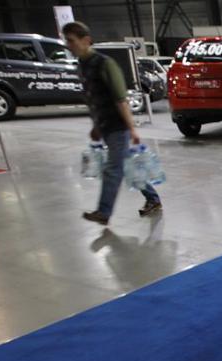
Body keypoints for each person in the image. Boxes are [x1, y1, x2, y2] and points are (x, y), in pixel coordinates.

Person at [62, 21, 162, 225]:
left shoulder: (105, 64)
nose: (68, 45)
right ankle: (153, 198)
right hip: (105, 125)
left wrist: (132, 128)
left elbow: (120, 99)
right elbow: (92, 99)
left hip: (118, 125)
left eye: (71, 41)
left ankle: (103, 212)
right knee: (124, 165)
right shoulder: (82, 65)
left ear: (86, 40)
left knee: (113, 169)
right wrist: (96, 126)